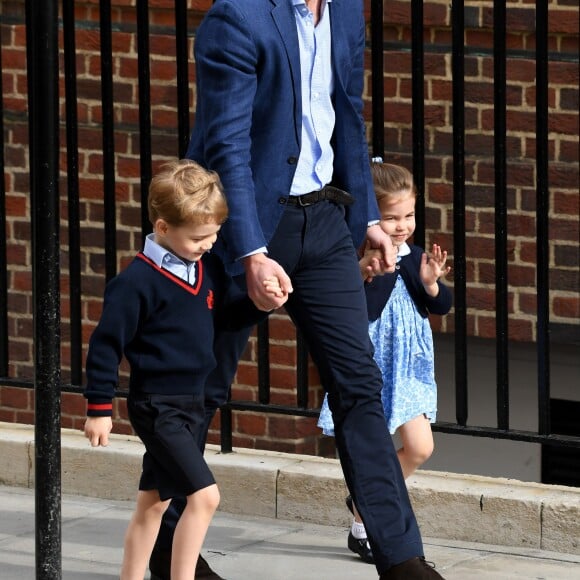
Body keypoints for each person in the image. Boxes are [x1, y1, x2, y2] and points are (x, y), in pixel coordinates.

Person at [153, 1, 447, 578]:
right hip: (246, 228)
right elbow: (227, 148)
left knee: (360, 383)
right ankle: (167, 545)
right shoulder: (237, 18)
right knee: (203, 387)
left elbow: (349, 116)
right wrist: (250, 252)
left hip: (327, 225)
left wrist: (366, 218)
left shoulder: (344, 13)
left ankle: (401, 559)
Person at [83, 159, 280, 580]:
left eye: (213, 235)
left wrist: (261, 304)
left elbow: (227, 315)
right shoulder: (136, 282)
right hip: (158, 407)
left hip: (191, 404)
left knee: (152, 503)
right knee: (205, 497)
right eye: (198, 237)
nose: (208, 244)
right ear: (163, 227)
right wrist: (99, 408)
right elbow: (104, 345)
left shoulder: (204, 269)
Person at [317, 160, 452, 564]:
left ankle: (362, 504)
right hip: (373, 363)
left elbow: (440, 306)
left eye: (408, 215)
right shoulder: (359, 258)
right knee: (372, 445)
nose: (402, 226)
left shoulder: (414, 256)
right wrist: (382, 264)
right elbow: (367, 310)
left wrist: (430, 283)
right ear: (372, 218)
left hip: (409, 365)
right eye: (391, 217)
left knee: (420, 447)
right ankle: (365, 525)